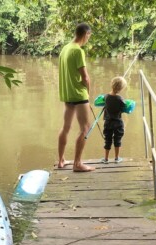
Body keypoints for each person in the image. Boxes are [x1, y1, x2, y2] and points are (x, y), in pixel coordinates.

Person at [57, 23, 94, 172]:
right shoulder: (78, 51)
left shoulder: (65, 49)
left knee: (66, 127)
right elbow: (85, 77)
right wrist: (88, 94)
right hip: (78, 94)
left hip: (67, 94)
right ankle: (77, 164)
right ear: (86, 34)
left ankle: (61, 160)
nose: (88, 39)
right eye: (89, 36)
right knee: (85, 128)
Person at [101, 76, 127, 164]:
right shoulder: (120, 98)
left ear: (111, 85)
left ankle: (106, 159)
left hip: (108, 122)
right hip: (118, 122)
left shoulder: (106, 97)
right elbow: (124, 106)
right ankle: (116, 158)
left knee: (107, 140)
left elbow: (104, 100)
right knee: (117, 139)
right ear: (121, 89)